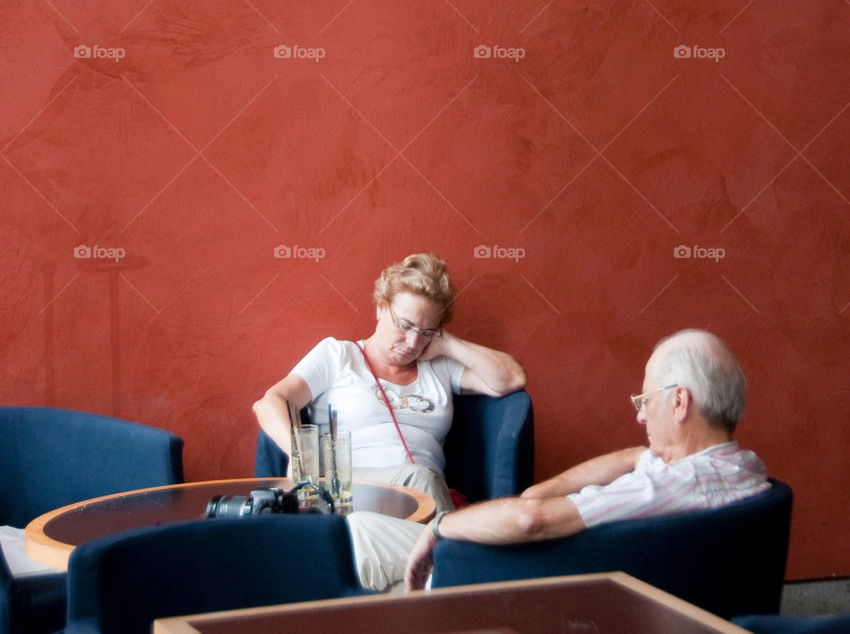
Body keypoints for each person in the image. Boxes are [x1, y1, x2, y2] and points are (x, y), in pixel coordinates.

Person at [405, 327, 769, 590]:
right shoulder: (745, 467)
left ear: (678, 402)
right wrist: (538, 490)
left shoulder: (663, 487)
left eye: (645, 401)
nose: (641, 416)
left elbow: (531, 521)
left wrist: (440, 527)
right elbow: (637, 457)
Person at [253, 252, 527, 589]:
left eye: (427, 331)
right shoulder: (339, 356)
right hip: (352, 491)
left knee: (369, 542)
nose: (412, 343)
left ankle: (445, 575)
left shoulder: (439, 366)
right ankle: (467, 561)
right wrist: (303, 456)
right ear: (381, 307)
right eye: (406, 325)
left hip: (422, 501)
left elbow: (511, 379)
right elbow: (269, 403)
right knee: (413, 480)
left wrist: (447, 343)